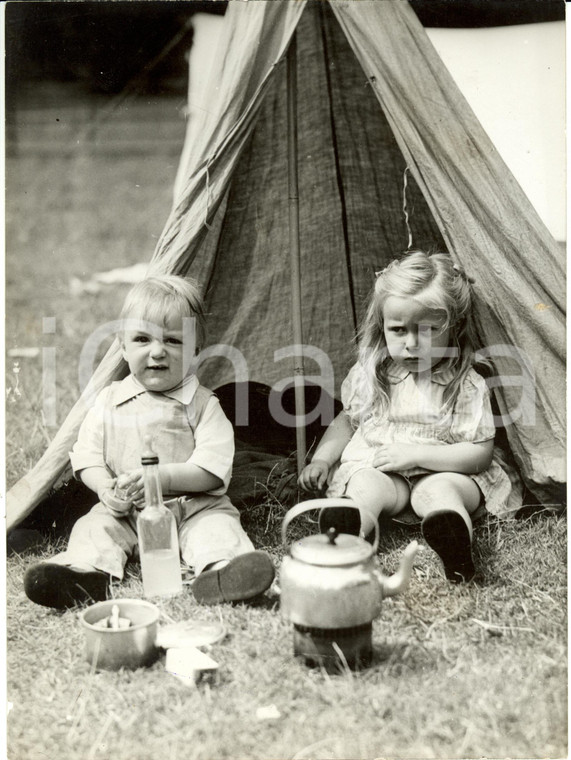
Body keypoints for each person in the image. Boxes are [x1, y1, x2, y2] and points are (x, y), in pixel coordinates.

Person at [24, 275, 275, 609]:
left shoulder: (202, 405)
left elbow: (212, 470)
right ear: (123, 346)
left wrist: (161, 479)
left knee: (216, 530)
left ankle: (223, 573)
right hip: (125, 510)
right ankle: (84, 575)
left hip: (192, 506)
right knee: (94, 528)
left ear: (195, 349)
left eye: (173, 341)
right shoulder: (109, 400)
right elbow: (86, 457)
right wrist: (105, 488)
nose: (158, 352)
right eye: (142, 339)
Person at [299, 251, 518, 583]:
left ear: (453, 327)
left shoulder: (465, 382)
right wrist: (322, 459)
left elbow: (479, 452)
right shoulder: (373, 373)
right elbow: (348, 421)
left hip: (446, 471)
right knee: (364, 485)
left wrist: (417, 455)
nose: (412, 344)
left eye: (428, 330)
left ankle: (455, 547)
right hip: (388, 476)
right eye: (399, 330)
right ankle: (346, 536)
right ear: (382, 326)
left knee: (441, 493)